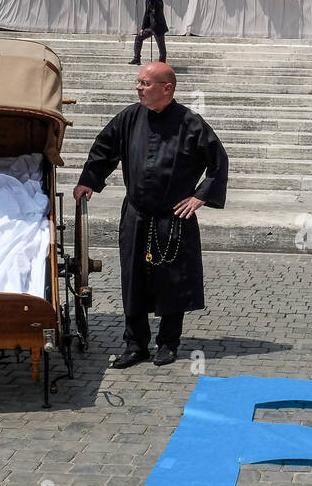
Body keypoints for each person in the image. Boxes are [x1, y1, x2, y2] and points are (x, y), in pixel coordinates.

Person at [73, 63, 228, 368]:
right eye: (138, 82)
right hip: (136, 213)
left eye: (145, 83)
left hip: (173, 217)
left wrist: (200, 196)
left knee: (172, 279)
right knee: (134, 278)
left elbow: (218, 161)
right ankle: (135, 345)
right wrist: (89, 180)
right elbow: (103, 148)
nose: (138, 88)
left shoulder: (190, 123)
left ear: (166, 88)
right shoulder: (130, 117)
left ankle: (168, 344)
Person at [130, 0, 168, 65]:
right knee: (138, 37)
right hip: (151, 27)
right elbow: (146, 15)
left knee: (161, 47)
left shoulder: (158, 0)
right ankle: (137, 58)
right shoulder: (148, 0)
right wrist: (142, 28)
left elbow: (157, 10)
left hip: (158, 27)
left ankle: (162, 63)